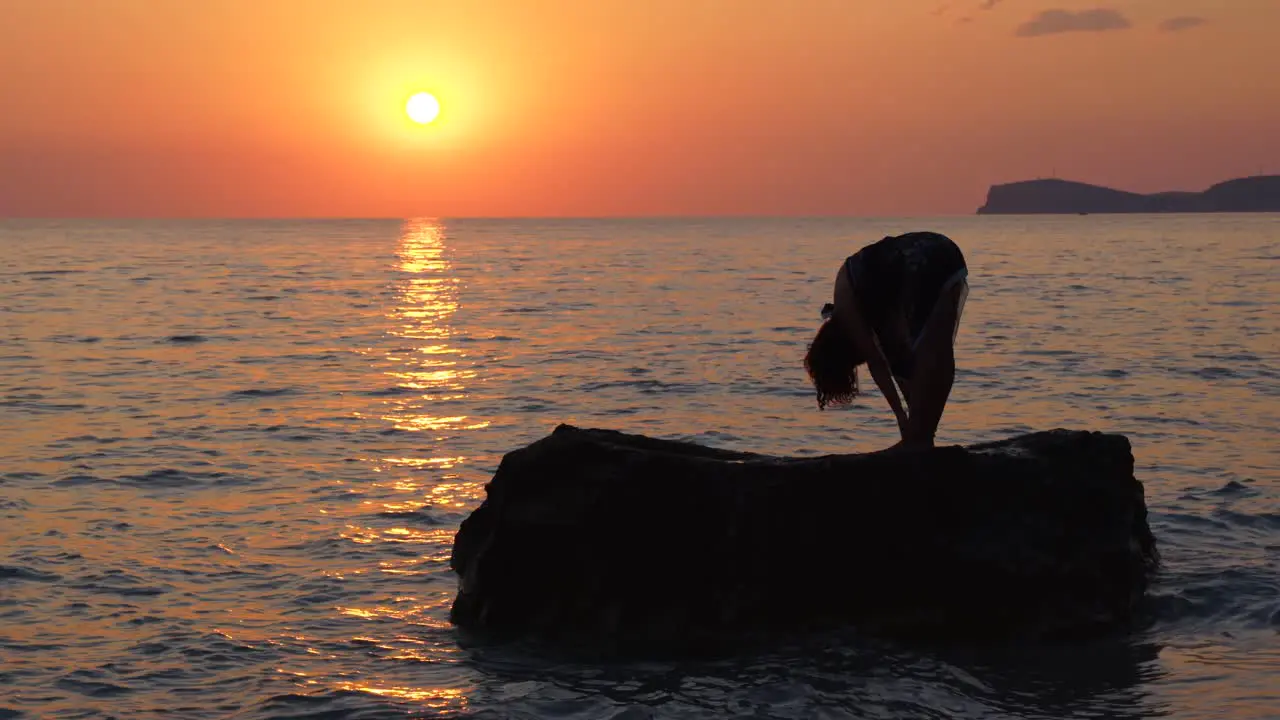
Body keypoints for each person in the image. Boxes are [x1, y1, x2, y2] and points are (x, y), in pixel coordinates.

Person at [804, 231, 968, 449]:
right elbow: (900, 365)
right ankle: (924, 437)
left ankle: (920, 438)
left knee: (928, 356)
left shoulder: (847, 312)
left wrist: (901, 416)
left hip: (921, 264)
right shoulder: (860, 301)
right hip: (946, 253)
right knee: (937, 353)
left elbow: (879, 364)